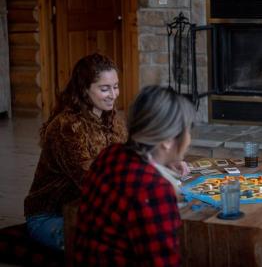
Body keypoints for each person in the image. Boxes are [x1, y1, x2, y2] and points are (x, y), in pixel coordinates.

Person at [74, 85, 195, 266]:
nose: (189, 138)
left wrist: (162, 162)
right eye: (187, 130)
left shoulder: (110, 154)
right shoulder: (154, 189)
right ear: (168, 141)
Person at [24, 53, 127, 251]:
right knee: (114, 244)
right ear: (84, 90)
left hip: (87, 207)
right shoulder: (67, 126)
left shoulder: (112, 118)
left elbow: (128, 157)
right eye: (105, 89)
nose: (113, 95)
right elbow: (90, 180)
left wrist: (165, 163)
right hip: (51, 215)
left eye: (115, 87)